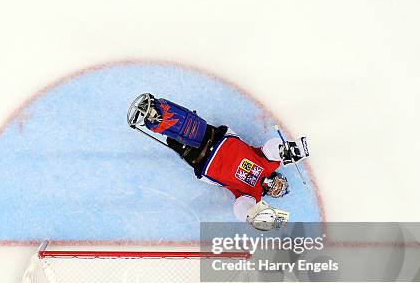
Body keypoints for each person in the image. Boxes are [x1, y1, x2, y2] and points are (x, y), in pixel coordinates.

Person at [127, 93, 309, 230]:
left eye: (276, 191)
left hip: (203, 161)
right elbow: (271, 149)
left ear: (270, 196)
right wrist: (286, 150)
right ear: (279, 176)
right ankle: (154, 110)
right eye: (279, 184)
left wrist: (253, 214)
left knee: (174, 138)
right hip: (217, 139)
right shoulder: (270, 165)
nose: (275, 186)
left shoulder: (254, 194)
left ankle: (153, 120)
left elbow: (241, 206)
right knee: (189, 125)